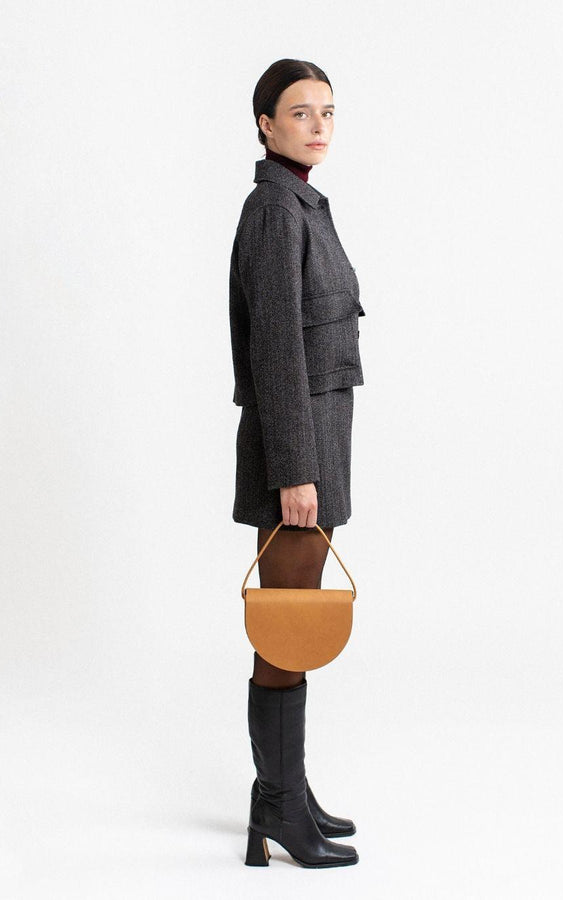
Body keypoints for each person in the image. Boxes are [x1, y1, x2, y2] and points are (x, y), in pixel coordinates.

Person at [228, 58, 366, 869]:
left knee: (295, 626)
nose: (318, 125)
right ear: (265, 124)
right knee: (285, 630)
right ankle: (279, 806)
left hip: (314, 445)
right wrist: (295, 473)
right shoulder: (277, 210)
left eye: (328, 111)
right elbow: (276, 349)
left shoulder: (301, 201)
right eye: (301, 112)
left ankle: (283, 793)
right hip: (297, 453)